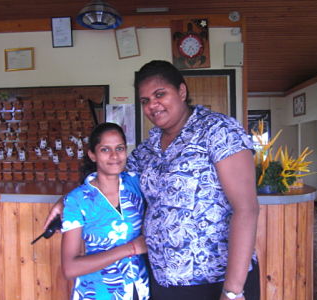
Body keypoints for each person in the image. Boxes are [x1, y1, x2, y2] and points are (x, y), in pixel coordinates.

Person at [46, 60, 260, 300]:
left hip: (216, 279)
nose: (152, 105)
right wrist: (66, 201)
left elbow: (247, 209)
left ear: (181, 91)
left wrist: (233, 291)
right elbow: (109, 176)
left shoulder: (218, 131)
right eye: (145, 100)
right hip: (162, 280)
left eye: (160, 94)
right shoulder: (147, 150)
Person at [60, 122, 149, 300]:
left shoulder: (137, 183)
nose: (114, 156)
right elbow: (70, 268)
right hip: (98, 292)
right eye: (105, 150)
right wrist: (130, 249)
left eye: (120, 148)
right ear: (92, 155)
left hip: (139, 289)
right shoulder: (77, 201)